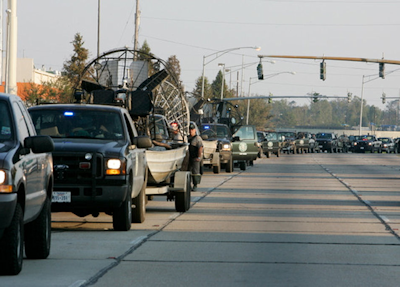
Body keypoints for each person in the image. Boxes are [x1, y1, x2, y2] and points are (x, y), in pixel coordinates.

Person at [188, 123, 203, 191]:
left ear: (195, 130)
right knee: (188, 172)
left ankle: (195, 185)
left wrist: (199, 157)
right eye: (190, 129)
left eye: (192, 129)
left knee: (195, 172)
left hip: (195, 158)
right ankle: (188, 185)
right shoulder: (187, 138)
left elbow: (200, 148)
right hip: (188, 158)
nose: (191, 131)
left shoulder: (197, 138)